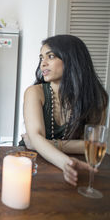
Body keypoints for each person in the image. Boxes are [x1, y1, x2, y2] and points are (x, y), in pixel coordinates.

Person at [21, 34, 108, 186]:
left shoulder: (96, 97)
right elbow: (36, 137)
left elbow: (93, 146)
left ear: (71, 59)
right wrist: (66, 162)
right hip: (31, 162)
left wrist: (49, 144)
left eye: (51, 56)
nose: (43, 64)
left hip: (78, 166)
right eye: (41, 58)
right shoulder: (35, 93)